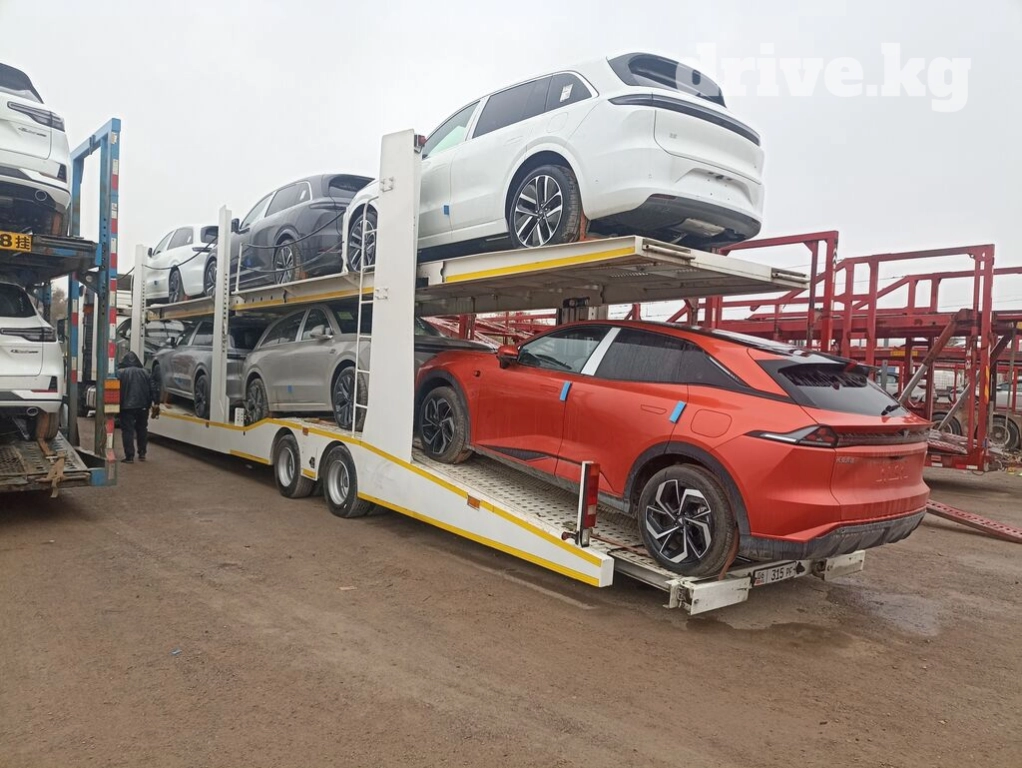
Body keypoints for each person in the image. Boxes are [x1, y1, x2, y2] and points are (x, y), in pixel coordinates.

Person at [117, 351, 159, 463]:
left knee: (128, 431)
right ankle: (142, 453)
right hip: (143, 406)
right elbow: (153, 388)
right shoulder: (145, 373)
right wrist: (156, 402)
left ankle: (129, 456)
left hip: (126, 407)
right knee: (142, 429)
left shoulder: (120, 373)